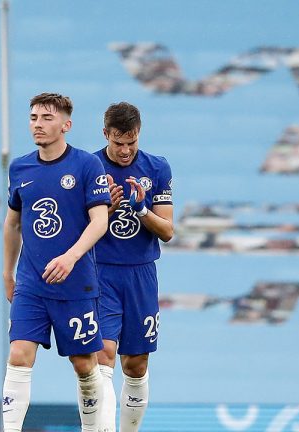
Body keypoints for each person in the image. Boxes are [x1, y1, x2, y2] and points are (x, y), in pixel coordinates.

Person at [2, 93, 110, 432]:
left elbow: (99, 222)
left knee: (83, 364)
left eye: (47, 118)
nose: (38, 124)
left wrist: (70, 256)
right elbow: (13, 223)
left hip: (76, 283)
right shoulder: (20, 167)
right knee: (19, 355)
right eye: (34, 117)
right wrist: (7, 271)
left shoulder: (86, 165)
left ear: (66, 124)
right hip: (32, 283)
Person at [93, 102, 174, 432]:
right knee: (103, 357)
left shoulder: (156, 168)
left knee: (136, 364)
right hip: (100, 273)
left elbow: (167, 230)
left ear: (139, 134)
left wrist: (141, 210)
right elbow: (76, 228)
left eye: (131, 142)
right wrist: (106, 211)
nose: (125, 151)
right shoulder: (89, 166)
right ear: (106, 135)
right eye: (118, 143)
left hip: (141, 274)